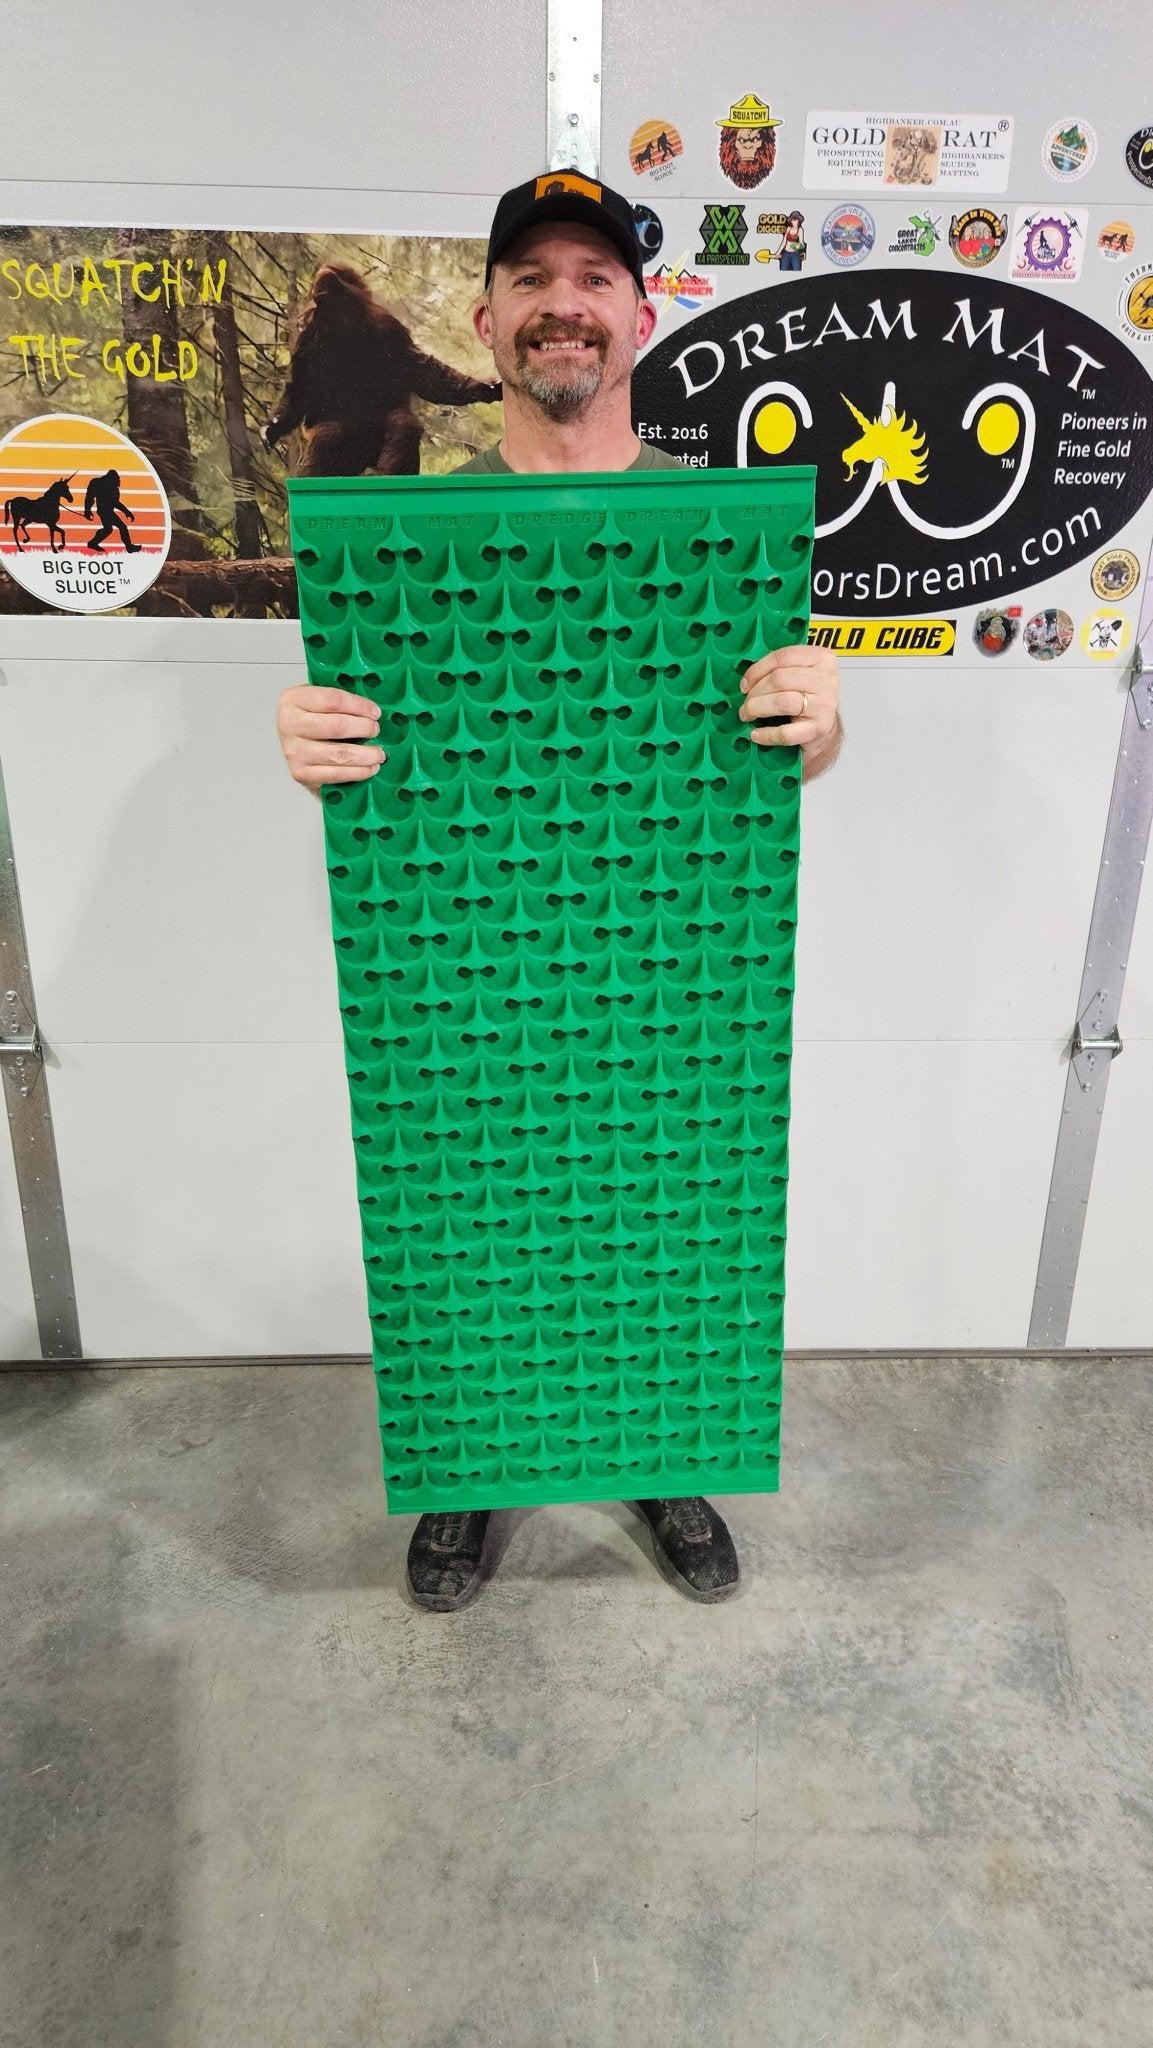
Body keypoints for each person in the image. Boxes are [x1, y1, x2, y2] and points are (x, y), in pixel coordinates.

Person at [276, 173, 843, 1612]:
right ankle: (474, 1461)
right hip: (472, 934)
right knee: (463, 1183)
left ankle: (660, 1450)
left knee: (670, 1186)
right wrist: (311, 738)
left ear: (640, 317)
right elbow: (376, 744)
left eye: (594, 276)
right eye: (529, 277)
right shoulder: (414, 542)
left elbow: (772, 744)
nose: (562, 304)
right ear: (486, 321)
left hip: (665, 937)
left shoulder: (723, 539)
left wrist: (821, 722)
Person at [261, 260, 500, 477]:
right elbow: (296, 394)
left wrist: (482, 388)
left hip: (386, 431)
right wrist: (275, 424)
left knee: (404, 427)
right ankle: (320, 503)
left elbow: (428, 374)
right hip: (334, 435)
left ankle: (388, 494)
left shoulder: (384, 331)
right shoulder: (313, 339)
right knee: (326, 443)